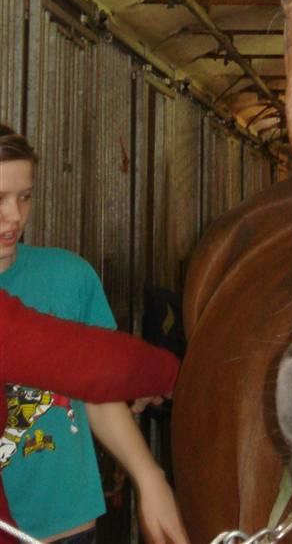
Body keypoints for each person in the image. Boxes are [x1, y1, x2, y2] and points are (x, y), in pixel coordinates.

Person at [0, 126, 190, 544]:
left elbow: (99, 391)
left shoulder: (70, 276)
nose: (14, 216)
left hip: (70, 522)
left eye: (24, 196)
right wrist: (160, 373)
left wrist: (148, 476)